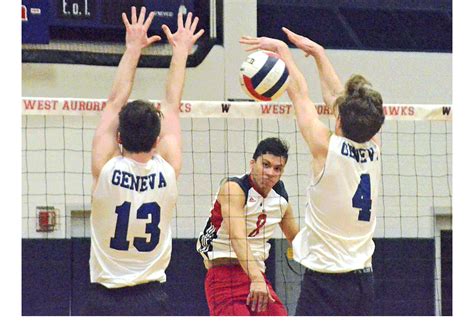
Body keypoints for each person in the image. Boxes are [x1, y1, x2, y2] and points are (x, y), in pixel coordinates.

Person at [240, 28, 385, 316]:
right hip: (364, 280)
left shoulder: (326, 147)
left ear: (339, 118)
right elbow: (335, 97)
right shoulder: (374, 145)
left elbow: (299, 94)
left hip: (327, 283)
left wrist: (283, 54)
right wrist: (318, 53)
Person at [81, 6, 204, 316]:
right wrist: (180, 52)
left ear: (119, 138)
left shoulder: (106, 167)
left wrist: (133, 48)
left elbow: (114, 102)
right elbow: (172, 106)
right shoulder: (168, 170)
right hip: (151, 299)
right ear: (158, 141)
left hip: (103, 300)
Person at [197, 137, 299, 316]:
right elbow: (237, 237)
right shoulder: (234, 188)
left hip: (256, 275)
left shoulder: (281, 199)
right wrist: (257, 278)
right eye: (265, 165)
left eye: (277, 169)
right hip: (224, 275)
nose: (270, 173)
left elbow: (298, 242)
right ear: (253, 163)